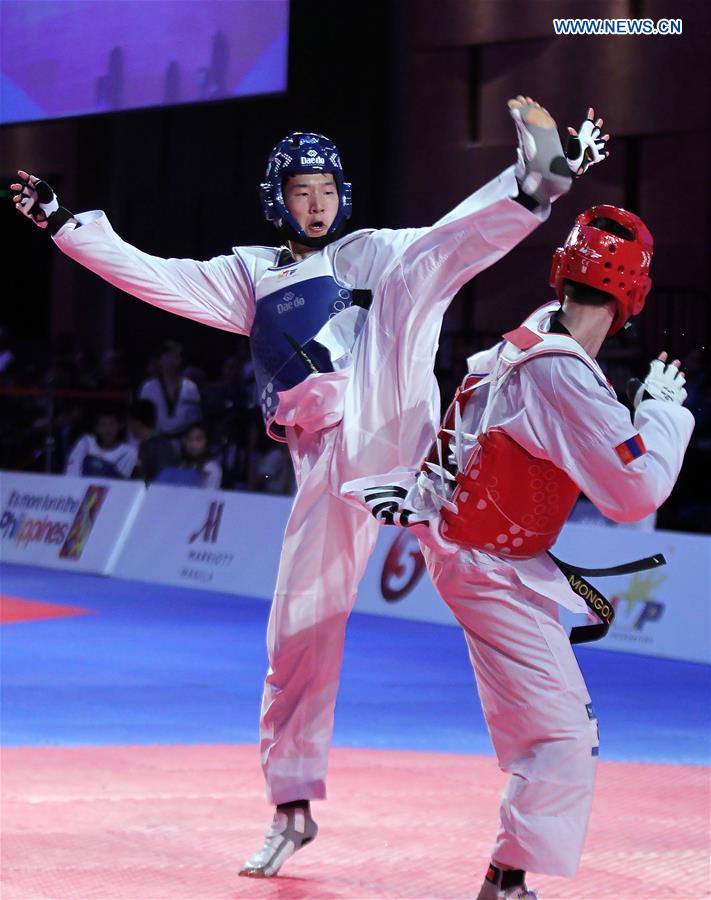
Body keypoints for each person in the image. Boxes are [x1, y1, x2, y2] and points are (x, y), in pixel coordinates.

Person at [11, 97, 607, 877]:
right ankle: (290, 806)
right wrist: (64, 227)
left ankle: (533, 184)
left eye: (327, 187)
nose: (317, 202)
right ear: (276, 198)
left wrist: (541, 182)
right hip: (334, 464)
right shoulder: (248, 276)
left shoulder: (369, 250)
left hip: (407, 433)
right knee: (298, 631)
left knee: (416, 270)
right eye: (302, 190)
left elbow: (448, 246)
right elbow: (151, 275)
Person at [344, 206, 694, 899]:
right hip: (488, 567)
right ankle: (504, 887)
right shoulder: (565, 378)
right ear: (631, 295)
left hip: (476, 554)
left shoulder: (526, 335)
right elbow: (635, 494)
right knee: (563, 736)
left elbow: (478, 410)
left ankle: (506, 878)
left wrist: (426, 497)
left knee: (543, 726)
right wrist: (660, 411)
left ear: (563, 273)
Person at [138, 339, 202, 437]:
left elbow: (195, 418)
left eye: (175, 357)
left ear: (180, 360)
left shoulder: (190, 387)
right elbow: (142, 418)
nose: (171, 361)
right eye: (167, 357)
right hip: (155, 438)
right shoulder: (148, 387)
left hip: (184, 440)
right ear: (159, 361)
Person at [65, 406, 137, 479]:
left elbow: (121, 480)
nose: (108, 429)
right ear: (96, 428)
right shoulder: (85, 442)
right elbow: (72, 472)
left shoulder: (129, 451)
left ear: (119, 426)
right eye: (103, 425)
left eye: (112, 424)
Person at [127, 398, 179, 483]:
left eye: (128, 421)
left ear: (137, 423)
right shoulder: (145, 444)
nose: (127, 426)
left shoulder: (161, 447)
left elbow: (162, 480)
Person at [175, 422, 222, 489]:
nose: (193, 444)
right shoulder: (181, 465)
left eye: (198, 439)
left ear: (206, 442)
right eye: (189, 439)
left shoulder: (211, 467)